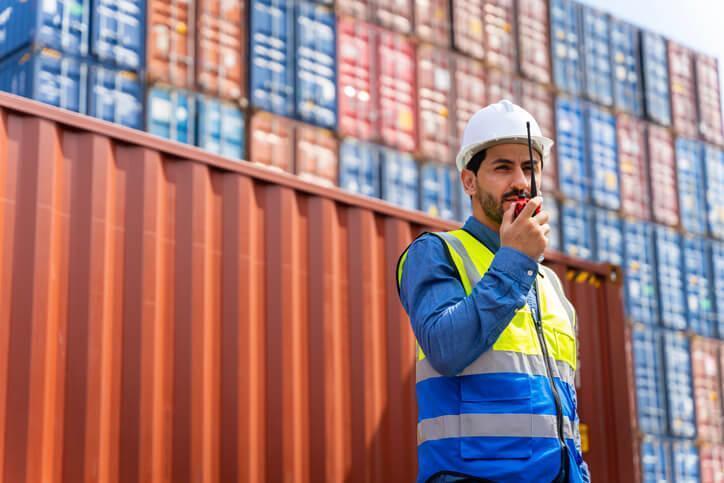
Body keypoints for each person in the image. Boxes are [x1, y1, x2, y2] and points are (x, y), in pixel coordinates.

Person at [396, 100, 590, 483]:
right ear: (469, 180)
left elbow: (567, 413)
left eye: (529, 168)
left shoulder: (550, 285)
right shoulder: (437, 253)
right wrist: (515, 259)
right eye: (503, 167)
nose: (520, 181)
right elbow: (446, 348)